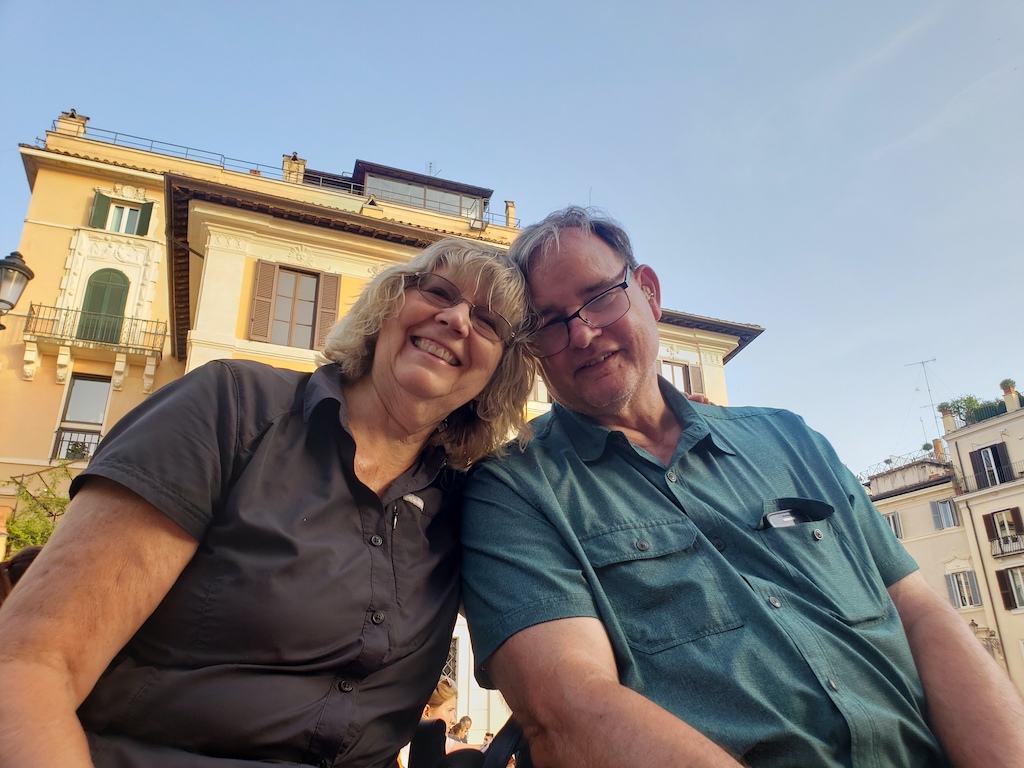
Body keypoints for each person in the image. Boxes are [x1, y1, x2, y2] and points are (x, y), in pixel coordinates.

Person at [460, 206, 1024, 768]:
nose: (582, 332)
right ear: (532, 350)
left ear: (649, 293)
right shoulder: (513, 491)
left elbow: (920, 612)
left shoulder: (791, 438)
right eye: (551, 322)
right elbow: (570, 713)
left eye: (600, 295)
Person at [0, 238, 536, 768]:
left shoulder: (471, 504)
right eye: (438, 292)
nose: (457, 319)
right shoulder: (229, 408)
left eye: (488, 321)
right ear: (387, 305)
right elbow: (30, 668)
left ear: (499, 373)